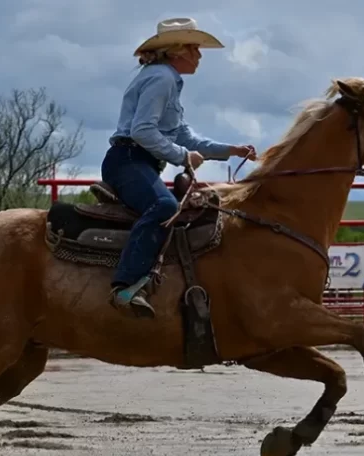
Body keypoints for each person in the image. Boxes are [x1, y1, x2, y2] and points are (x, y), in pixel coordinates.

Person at [101, 17, 257, 319]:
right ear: (177, 50)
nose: (199, 55)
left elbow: (183, 134)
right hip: (130, 160)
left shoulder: (163, 77)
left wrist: (228, 150)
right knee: (163, 205)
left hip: (134, 160)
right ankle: (126, 285)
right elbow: (142, 131)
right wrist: (183, 157)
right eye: (194, 48)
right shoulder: (162, 79)